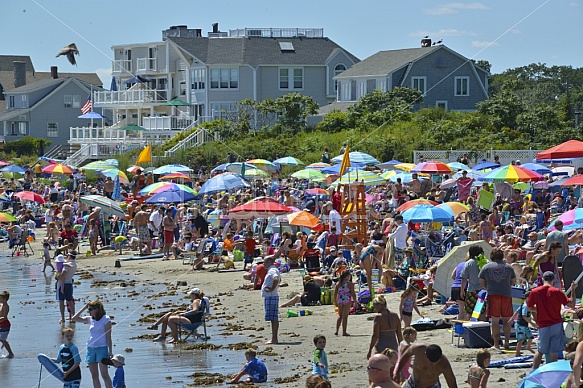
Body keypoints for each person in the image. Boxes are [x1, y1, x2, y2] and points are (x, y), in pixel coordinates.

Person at [527, 271, 577, 370]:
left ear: (542, 279)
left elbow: (529, 307)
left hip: (543, 325)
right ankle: (551, 371)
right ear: (553, 280)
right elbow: (572, 304)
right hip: (556, 324)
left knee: (540, 350)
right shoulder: (557, 292)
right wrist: (573, 290)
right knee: (554, 352)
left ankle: (534, 371)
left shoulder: (535, 292)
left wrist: (539, 309)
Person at [478, 248, 516, 350]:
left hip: (493, 294)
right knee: (506, 320)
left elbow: (481, 281)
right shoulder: (508, 267)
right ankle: (507, 342)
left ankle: (496, 344)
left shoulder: (486, 267)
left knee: (494, 320)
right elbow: (513, 281)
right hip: (506, 294)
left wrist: (488, 287)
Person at [71, 300, 113, 388]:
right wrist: (84, 308)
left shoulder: (106, 319)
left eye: (90, 309)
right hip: (91, 348)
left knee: (104, 374)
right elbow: (74, 318)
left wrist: (110, 351)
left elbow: (108, 336)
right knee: (94, 375)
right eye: (88, 310)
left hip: (102, 348)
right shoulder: (90, 319)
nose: (89, 311)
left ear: (97, 309)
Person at [460, 245, 485, 319]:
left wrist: (462, 290)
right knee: (481, 311)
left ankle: (470, 328)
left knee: (470, 312)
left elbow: (464, 278)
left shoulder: (469, 263)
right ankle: (481, 327)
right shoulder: (485, 262)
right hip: (483, 291)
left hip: (472, 291)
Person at [262, 256, 281, 344]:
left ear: (269, 263)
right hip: (270, 296)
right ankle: (274, 338)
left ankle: (274, 339)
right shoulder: (272, 270)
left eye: (265, 262)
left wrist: (271, 289)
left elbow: (276, 279)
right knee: (272, 318)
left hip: (271, 296)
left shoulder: (272, 270)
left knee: (273, 318)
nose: (263, 264)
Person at [511, 290, 536, 356]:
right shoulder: (525, 306)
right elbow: (524, 316)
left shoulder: (526, 305)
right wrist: (532, 323)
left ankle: (528, 347)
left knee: (530, 337)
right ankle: (517, 352)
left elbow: (517, 311)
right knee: (520, 340)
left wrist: (512, 319)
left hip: (525, 325)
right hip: (520, 325)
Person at [334, 270, 357, 336]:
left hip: (340, 300)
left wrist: (335, 301)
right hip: (347, 300)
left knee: (340, 316)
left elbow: (335, 293)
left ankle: (337, 331)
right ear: (347, 276)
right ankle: (344, 332)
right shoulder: (350, 284)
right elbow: (353, 293)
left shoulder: (338, 283)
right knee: (345, 317)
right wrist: (355, 301)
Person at [58, 251, 77, 324]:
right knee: (70, 301)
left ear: (70, 256)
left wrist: (62, 287)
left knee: (61, 301)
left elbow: (62, 275)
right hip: (70, 283)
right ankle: (73, 316)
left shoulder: (67, 265)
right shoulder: (74, 264)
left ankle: (63, 318)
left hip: (64, 284)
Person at [0, 290, 14, 358]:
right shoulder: (1, 305)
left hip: (5, 324)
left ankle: (11, 353)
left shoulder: (6, 306)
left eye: (0, 298)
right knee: (2, 339)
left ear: (5, 299)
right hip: (1, 323)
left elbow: (5, 317)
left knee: (2, 339)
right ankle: (4, 343)